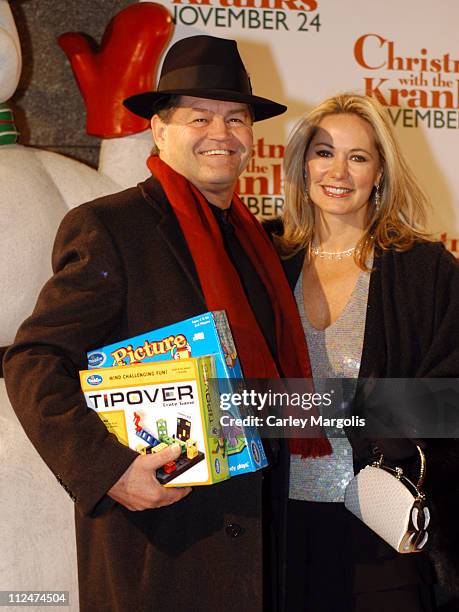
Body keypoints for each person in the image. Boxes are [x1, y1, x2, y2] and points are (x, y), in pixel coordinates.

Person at [3, 35, 313, 612]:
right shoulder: (111, 226)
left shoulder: (262, 246)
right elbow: (34, 359)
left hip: (258, 548)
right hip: (160, 549)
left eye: (236, 119)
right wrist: (109, 469)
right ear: (159, 130)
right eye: (199, 117)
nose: (221, 134)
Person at [270, 93, 459, 611]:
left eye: (358, 157)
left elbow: (450, 399)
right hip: (272, 529)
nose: (339, 170)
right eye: (324, 152)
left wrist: (332, 408)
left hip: (382, 531)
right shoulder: (263, 257)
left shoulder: (425, 269)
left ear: (379, 172)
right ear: (302, 164)